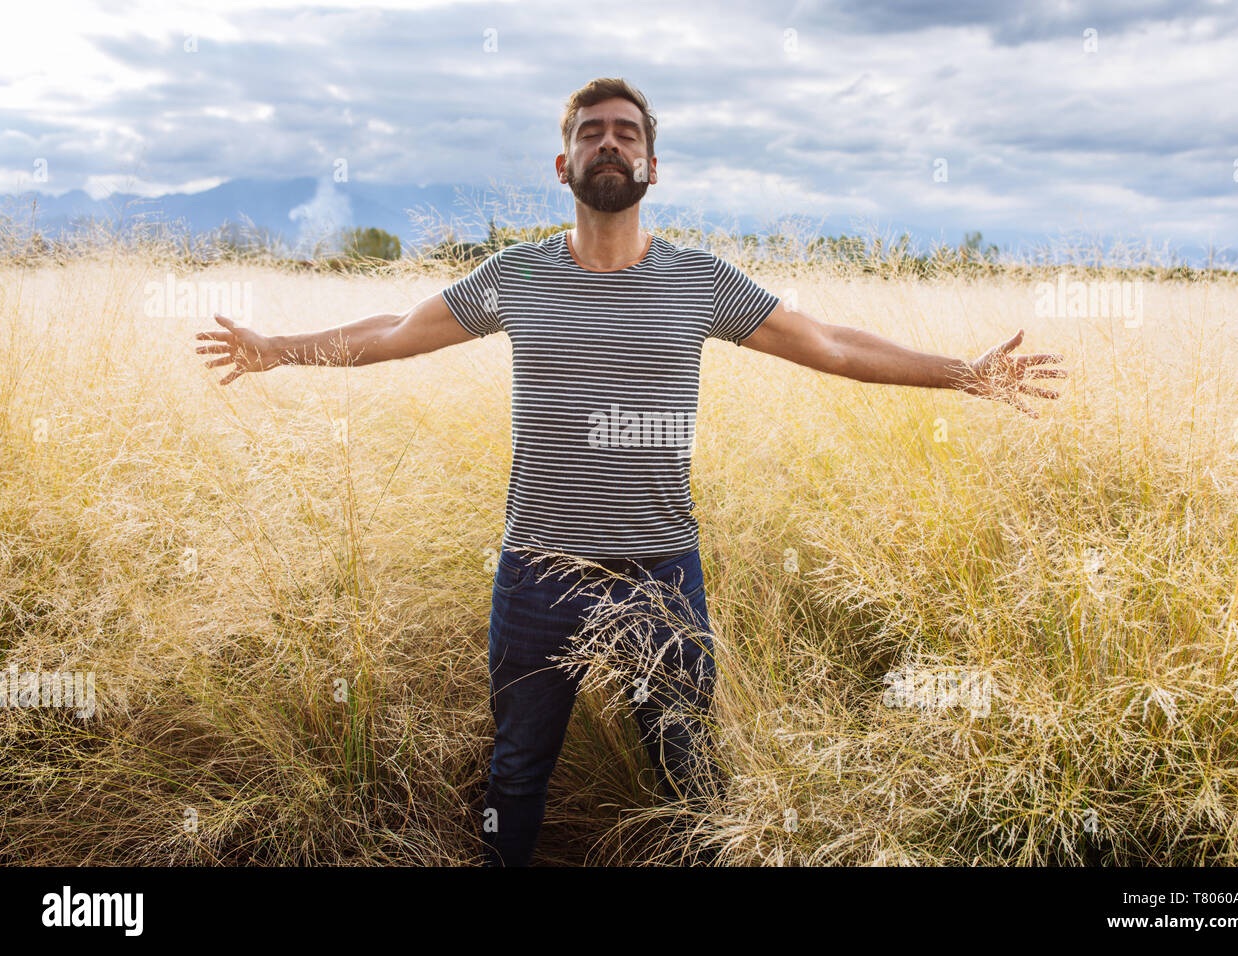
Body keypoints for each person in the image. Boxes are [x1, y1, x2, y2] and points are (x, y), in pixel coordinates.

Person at [193, 77, 1067, 866]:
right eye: (590, 132)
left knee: (692, 774)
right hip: (539, 573)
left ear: (652, 164)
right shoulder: (518, 275)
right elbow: (392, 332)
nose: (608, 143)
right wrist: (276, 350)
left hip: (661, 574)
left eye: (625, 133)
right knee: (518, 774)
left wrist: (964, 372)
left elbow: (830, 343)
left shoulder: (699, 281)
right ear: (562, 161)